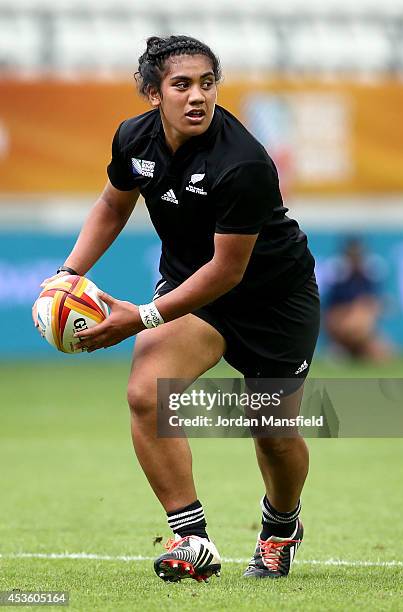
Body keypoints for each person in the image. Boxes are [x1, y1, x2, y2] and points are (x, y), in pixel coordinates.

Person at [33, 35, 320, 582]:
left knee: (272, 432)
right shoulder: (133, 138)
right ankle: (192, 539)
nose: (197, 97)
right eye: (181, 85)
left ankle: (281, 527)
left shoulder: (243, 163)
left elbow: (227, 271)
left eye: (207, 84)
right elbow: (112, 204)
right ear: (152, 93)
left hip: (273, 300)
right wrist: (69, 273)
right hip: (196, 292)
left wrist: (141, 316)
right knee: (147, 392)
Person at [324, 238, 392, 362]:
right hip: (342, 326)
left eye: (358, 255)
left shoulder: (367, 279)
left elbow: (379, 304)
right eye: (352, 256)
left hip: (363, 329)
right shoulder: (340, 279)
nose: (356, 259)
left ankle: (355, 349)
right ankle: (340, 347)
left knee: (382, 354)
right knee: (359, 313)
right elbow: (329, 312)